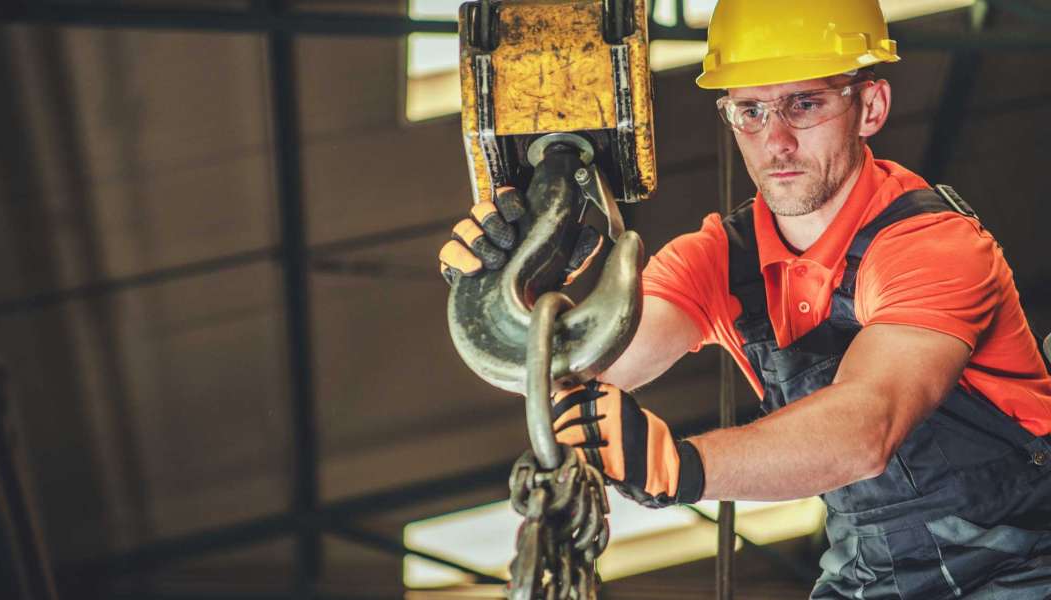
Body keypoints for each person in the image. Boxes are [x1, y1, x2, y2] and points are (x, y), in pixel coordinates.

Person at [438, 0, 1051, 597]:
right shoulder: (718, 260)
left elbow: (868, 426)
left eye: (804, 105)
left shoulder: (930, 246)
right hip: (872, 578)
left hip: (1023, 567)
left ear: (870, 106)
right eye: (750, 111)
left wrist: (682, 467)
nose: (775, 140)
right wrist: (507, 292)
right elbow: (582, 368)